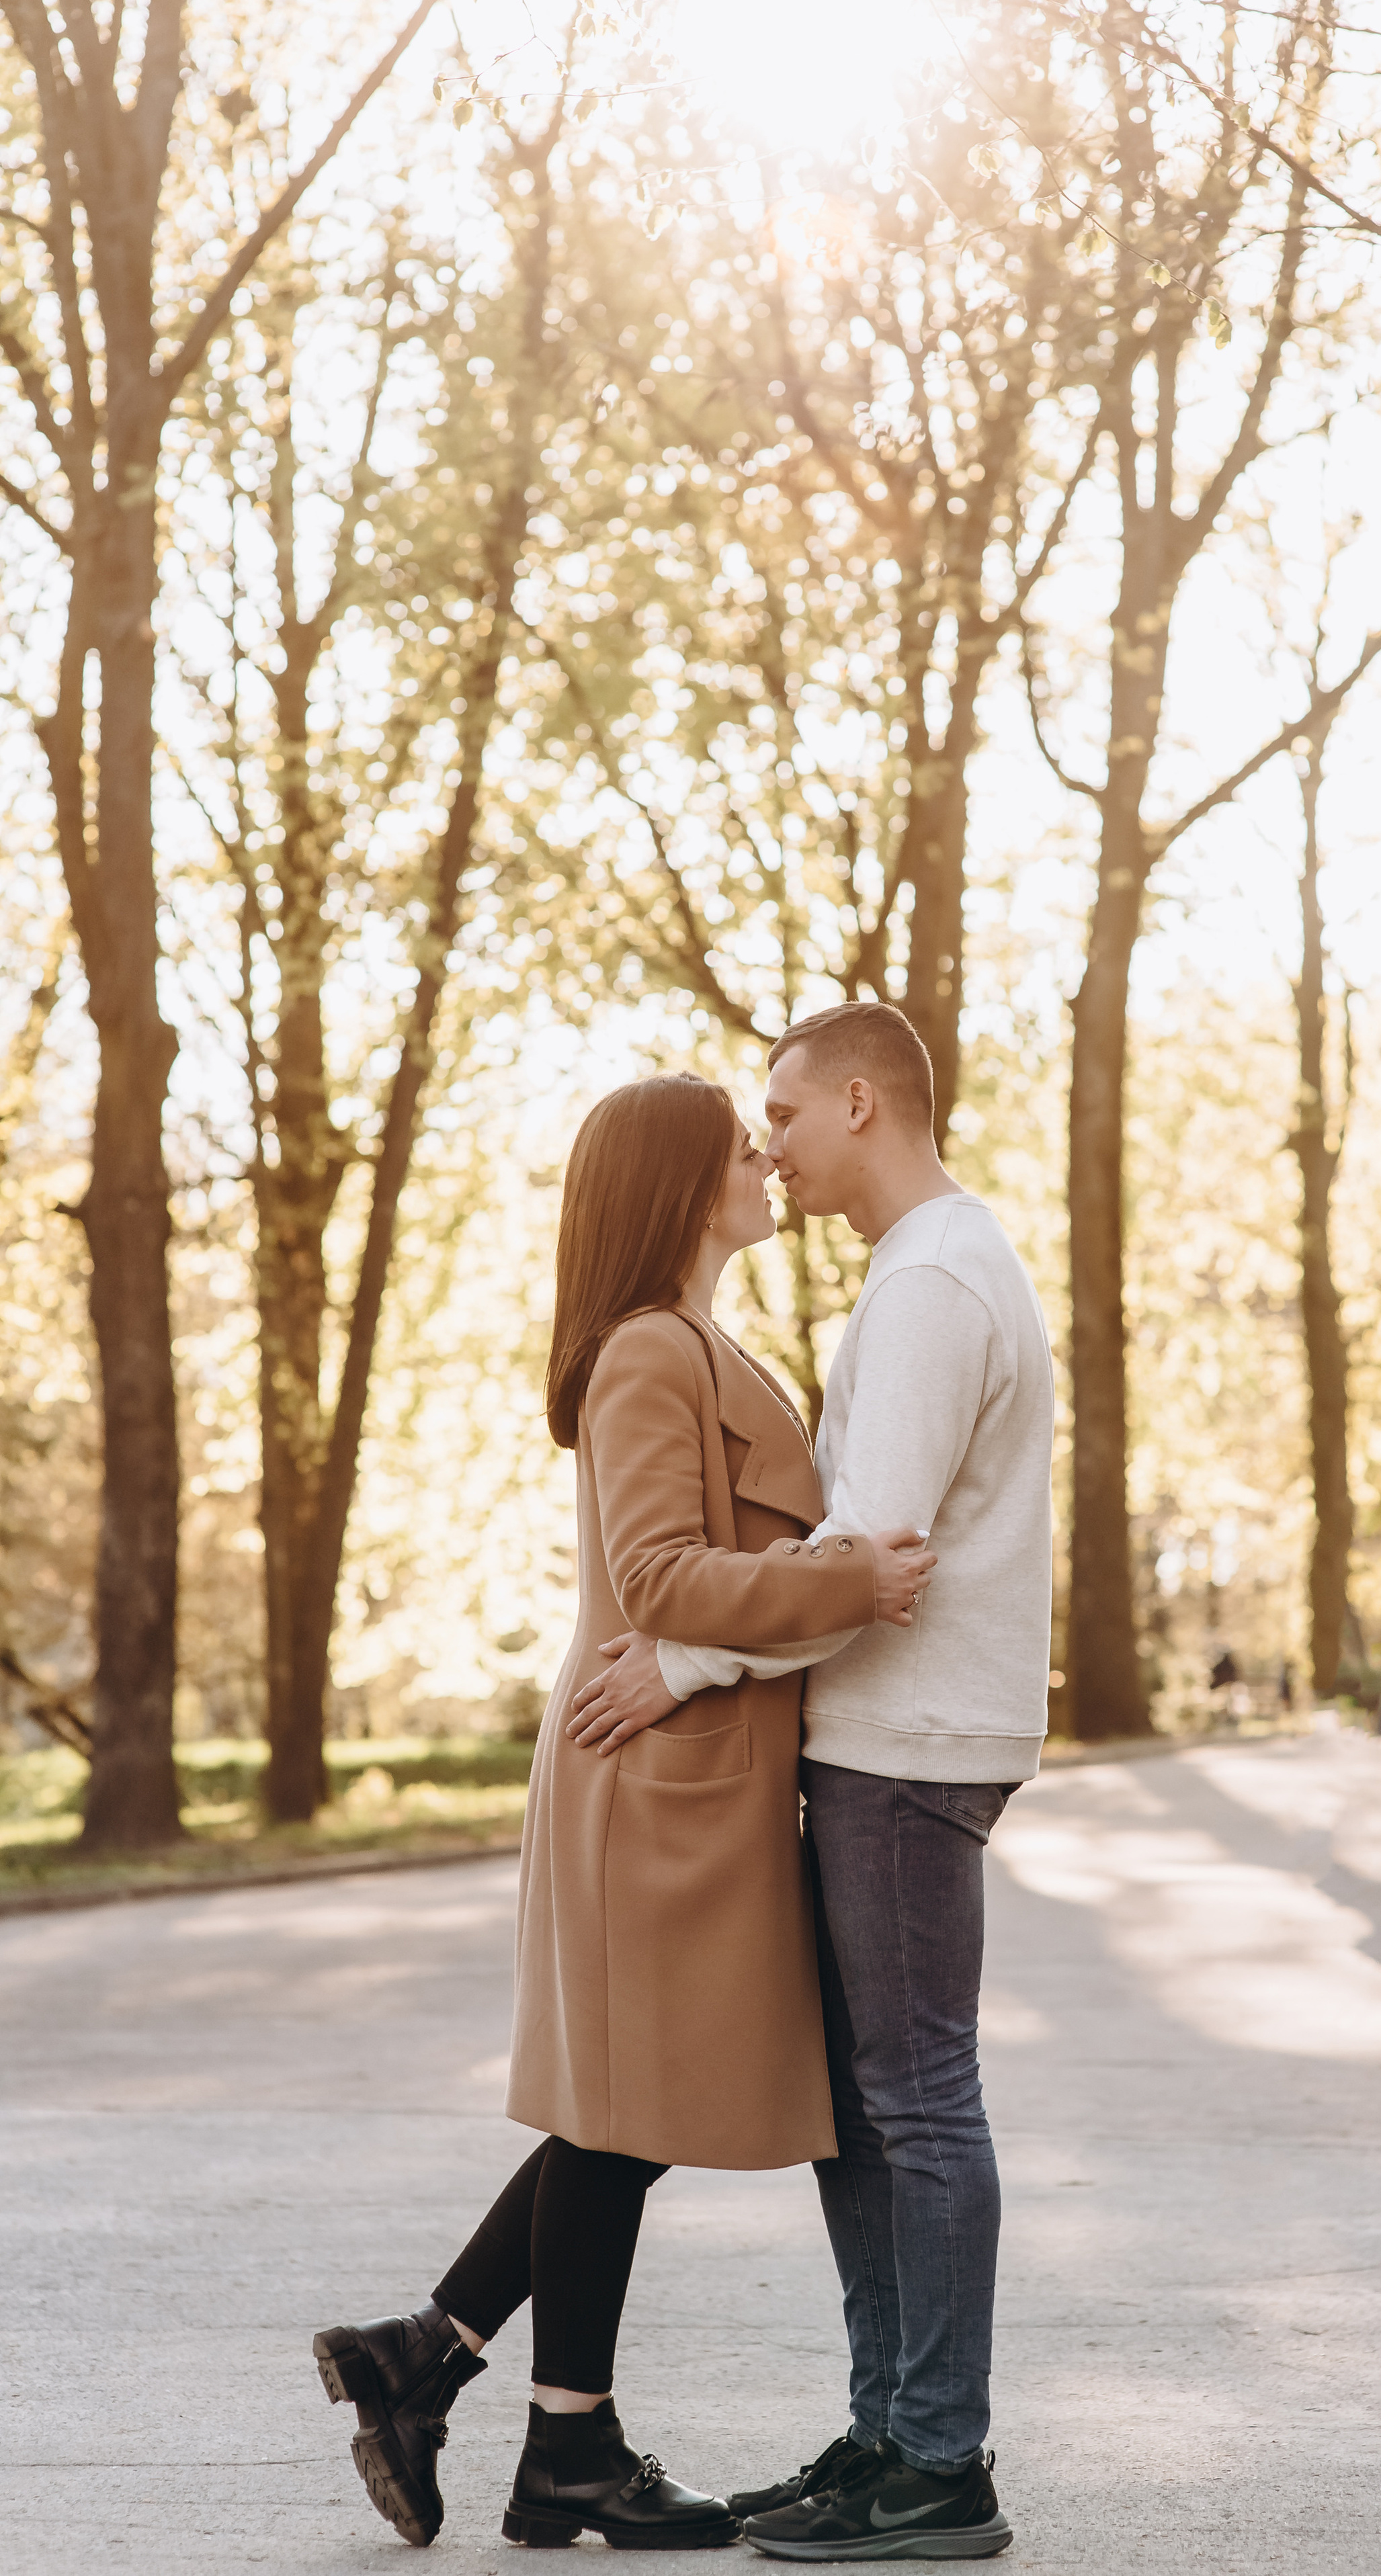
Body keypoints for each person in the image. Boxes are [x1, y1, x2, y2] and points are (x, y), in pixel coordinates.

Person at [310, 1073, 935, 2553]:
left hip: (689, 1786)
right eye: (739, 1145)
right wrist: (851, 1580)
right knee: (621, 2119)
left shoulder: (697, 1341)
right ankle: (548, 2442)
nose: (764, 1161)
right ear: (677, 1184)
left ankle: (443, 2372)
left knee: (627, 2119)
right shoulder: (651, 1354)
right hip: (653, 1791)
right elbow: (654, 1577)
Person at [567, 1004, 1055, 2563]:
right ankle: (884, 2437)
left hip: (905, 1748)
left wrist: (684, 1665)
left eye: (781, 1110)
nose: (766, 1139)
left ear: (861, 1101)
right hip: (886, 1740)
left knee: (911, 2102)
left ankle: (938, 2461)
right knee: (868, 2108)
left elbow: (867, 1559)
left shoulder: (921, 1286)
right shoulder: (933, 1267)